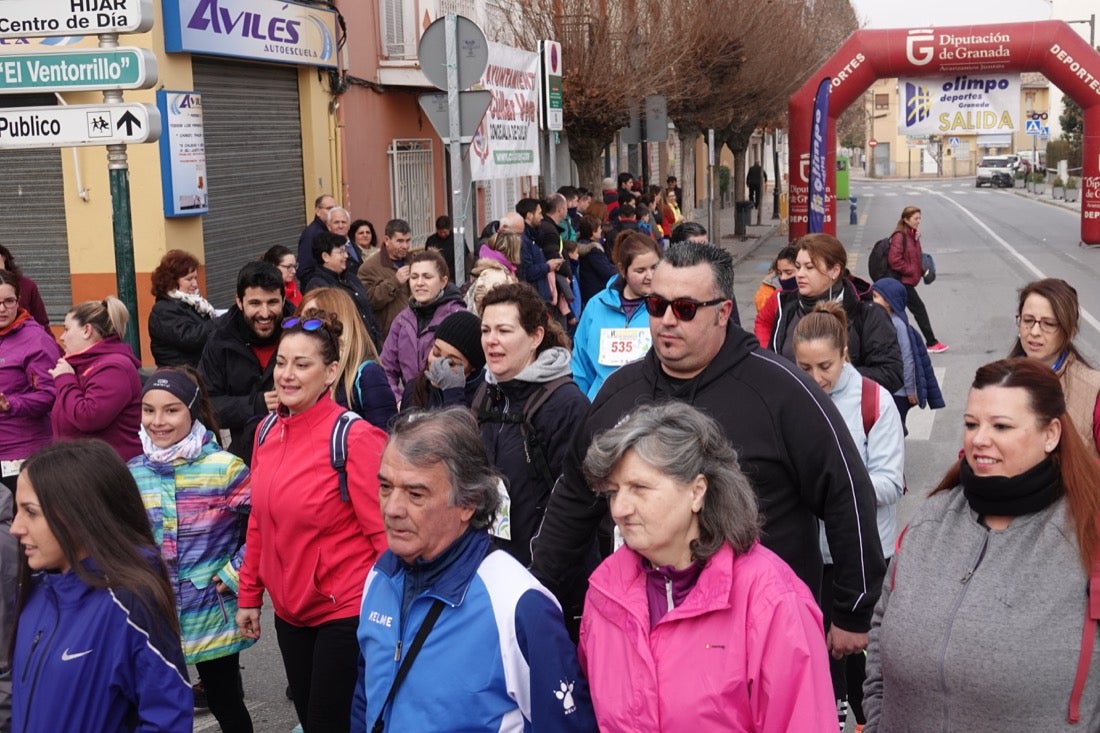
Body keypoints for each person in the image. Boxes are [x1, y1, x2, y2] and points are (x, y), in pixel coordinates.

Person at [530, 242, 885, 653]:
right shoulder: (619, 393)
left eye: (683, 309)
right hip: (644, 635)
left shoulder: (783, 391)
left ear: (723, 312)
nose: (665, 320)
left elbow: (847, 492)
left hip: (759, 636)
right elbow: (574, 499)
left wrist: (854, 610)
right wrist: (537, 595)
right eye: (655, 305)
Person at [863, 358, 1100, 731]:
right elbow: (881, 633)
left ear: (1051, 434)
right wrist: (880, 720)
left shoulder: (1088, 536)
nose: (979, 439)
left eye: (1001, 426)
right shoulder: (931, 519)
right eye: (971, 424)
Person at [578, 402, 835, 731]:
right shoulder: (605, 593)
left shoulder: (771, 601)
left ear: (697, 491)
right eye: (614, 492)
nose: (620, 509)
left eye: (639, 488)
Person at [352, 408, 597, 732]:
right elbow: (366, 700)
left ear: (468, 503)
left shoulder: (518, 604)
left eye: (415, 494)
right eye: (385, 487)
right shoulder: (380, 577)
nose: (393, 509)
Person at [236, 311, 388, 733]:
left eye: (302, 364)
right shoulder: (266, 431)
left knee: (328, 725)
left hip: (345, 611)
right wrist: (250, 595)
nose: (287, 375)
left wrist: (393, 616)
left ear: (331, 372)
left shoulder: (355, 437)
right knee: (308, 717)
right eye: (282, 362)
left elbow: (386, 537)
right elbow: (259, 523)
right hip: (289, 612)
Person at [11, 440, 192, 732]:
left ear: (79, 513)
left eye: (30, 512)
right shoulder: (35, 590)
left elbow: (167, 720)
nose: (15, 527)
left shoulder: (130, 602)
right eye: (16, 511)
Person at [791, 302, 905, 732]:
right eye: (804, 366)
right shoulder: (793, 396)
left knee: (865, 663)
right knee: (817, 659)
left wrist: (833, 492)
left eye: (824, 365)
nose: (815, 377)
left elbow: (891, 482)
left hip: (862, 555)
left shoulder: (874, 402)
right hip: (808, 558)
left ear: (845, 355)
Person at [127, 368, 254, 732]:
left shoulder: (224, 468)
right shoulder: (134, 472)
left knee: (224, 700)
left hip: (210, 614)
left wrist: (236, 571)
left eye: (171, 410)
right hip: (155, 612)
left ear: (192, 412)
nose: (157, 421)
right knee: (161, 704)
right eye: (148, 410)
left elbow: (267, 523)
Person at [475, 282, 588, 566]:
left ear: (536, 336)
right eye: (486, 331)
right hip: (491, 564)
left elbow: (578, 505)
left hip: (546, 574)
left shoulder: (566, 404)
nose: (491, 340)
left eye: (504, 331)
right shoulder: (487, 394)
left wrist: (540, 574)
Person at [0, 270, 58, 729]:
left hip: (22, 459)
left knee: (23, 548)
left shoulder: (34, 338)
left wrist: (9, 405)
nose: (1, 307)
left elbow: (49, 395)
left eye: (7, 300)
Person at [767, 233, 903, 394]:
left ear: (835, 270)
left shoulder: (867, 313)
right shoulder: (787, 308)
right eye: (798, 266)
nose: (799, 274)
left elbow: (891, 373)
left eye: (809, 267)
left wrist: (835, 377)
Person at [199, 262, 293, 463]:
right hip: (246, 458)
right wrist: (256, 404)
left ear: (284, 300)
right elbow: (207, 404)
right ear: (239, 302)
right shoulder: (220, 340)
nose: (265, 313)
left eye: (273, 302)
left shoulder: (301, 331)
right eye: (255, 303)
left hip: (299, 454)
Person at [1009, 278, 1100, 458]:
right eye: (1028, 320)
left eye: (1048, 324)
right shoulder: (997, 381)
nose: (1034, 332)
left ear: (1070, 332)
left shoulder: (1093, 390)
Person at [49, 296, 142, 460]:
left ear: (87, 330)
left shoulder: (114, 367)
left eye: (67, 329)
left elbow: (89, 418)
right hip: (84, 467)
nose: (62, 337)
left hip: (104, 471)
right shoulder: (84, 365)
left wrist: (65, 379)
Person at [572, 232, 661, 400]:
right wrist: (583, 407)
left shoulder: (666, 307)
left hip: (649, 413)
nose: (650, 276)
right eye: (640, 270)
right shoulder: (596, 306)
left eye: (654, 267)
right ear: (622, 269)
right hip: (602, 409)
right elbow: (580, 366)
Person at [297, 289, 396, 432]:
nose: (304, 329)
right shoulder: (302, 374)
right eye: (301, 320)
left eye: (314, 320)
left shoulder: (368, 374)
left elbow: (386, 438)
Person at [381, 249, 466, 401]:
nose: (419, 283)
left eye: (427, 277)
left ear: (443, 281)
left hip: (447, 406)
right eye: (414, 277)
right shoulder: (401, 320)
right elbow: (386, 368)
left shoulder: (458, 318)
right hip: (410, 407)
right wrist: (399, 400)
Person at [871, 278, 945, 430]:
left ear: (888, 302)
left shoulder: (897, 325)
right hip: (888, 387)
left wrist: (910, 390)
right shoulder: (882, 320)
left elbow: (907, 358)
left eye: (876, 297)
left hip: (899, 391)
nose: (872, 301)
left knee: (895, 429)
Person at [305, 231, 383, 349]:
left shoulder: (351, 278)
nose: (346, 256)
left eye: (345, 251)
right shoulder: (319, 286)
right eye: (341, 252)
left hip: (371, 344)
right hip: (348, 349)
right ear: (325, 256)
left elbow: (367, 310)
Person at [887, 206, 947, 353]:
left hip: (905, 281)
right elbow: (894, 260)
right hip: (901, 281)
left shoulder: (912, 235)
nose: (918, 221)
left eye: (919, 218)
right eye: (915, 218)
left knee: (895, 313)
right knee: (919, 309)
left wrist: (922, 270)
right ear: (906, 219)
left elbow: (915, 256)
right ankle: (931, 342)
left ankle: (890, 344)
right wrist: (911, 270)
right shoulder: (899, 236)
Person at [400, 309, 486, 411]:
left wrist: (453, 392)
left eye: (451, 363)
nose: (438, 364)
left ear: (472, 368)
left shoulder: (486, 394)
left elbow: (461, 426)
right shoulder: (414, 388)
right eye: (436, 353)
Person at [148, 250, 217, 368]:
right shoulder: (163, 310)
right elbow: (189, 338)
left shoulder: (192, 303)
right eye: (189, 279)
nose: (195, 284)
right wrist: (218, 323)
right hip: (181, 374)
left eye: (195, 278)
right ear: (172, 281)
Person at [357, 219, 412, 342]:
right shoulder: (369, 267)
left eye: (408, 241)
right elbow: (368, 301)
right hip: (388, 337)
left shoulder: (413, 261)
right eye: (399, 241)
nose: (405, 246)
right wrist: (394, 282)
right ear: (387, 240)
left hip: (413, 331)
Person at [753, 245, 798, 345]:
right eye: (780, 273)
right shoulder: (777, 295)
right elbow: (763, 322)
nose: (783, 278)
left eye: (788, 272)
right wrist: (765, 348)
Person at [576, 214, 618, 307]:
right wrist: (619, 269)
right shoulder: (593, 250)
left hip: (588, 289)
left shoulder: (582, 244)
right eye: (599, 228)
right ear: (592, 232)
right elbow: (606, 271)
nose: (601, 231)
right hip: (595, 290)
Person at [0, 244, 47, 327]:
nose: (2, 309)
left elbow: (42, 323)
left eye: (9, 301)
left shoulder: (27, 285)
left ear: (3, 257)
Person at [296, 193, 337, 287]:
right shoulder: (311, 234)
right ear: (318, 211)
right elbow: (304, 270)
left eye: (335, 209)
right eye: (329, 209)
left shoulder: (329, 230)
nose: (333, 212)